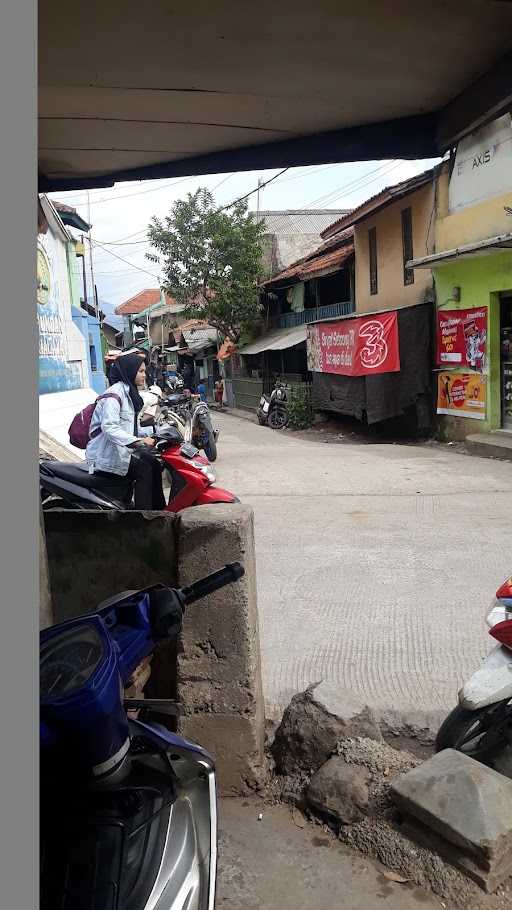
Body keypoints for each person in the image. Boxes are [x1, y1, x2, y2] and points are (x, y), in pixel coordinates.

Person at [86, 352, 166, 509]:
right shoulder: (114, 394)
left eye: (144, 371)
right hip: (105, 454)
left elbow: (129, 428)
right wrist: (139, 441)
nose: (145, 375)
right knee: (145, 469)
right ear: (130, 371)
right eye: (141, 371)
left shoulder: (129, 393)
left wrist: (156, 434)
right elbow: (109, 427)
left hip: (119, 450)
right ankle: (142, 519)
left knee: (155, 464)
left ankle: (160, 512)